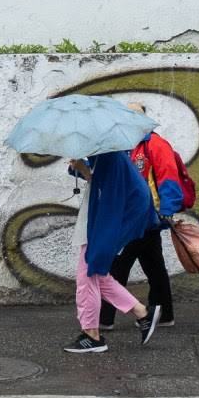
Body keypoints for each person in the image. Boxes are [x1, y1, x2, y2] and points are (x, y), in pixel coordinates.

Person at [63, 150, 162, 354]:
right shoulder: (106, 154)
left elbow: (111, 193)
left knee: (87, 276)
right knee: (98, 274)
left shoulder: (110, 155)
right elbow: (103, 182)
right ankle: (142, 313)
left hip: (101, 223)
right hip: (98, 221)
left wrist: (83, 169)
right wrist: (82, 169)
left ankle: (92, 336)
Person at [99, 102, 180, 331]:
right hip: (136, 217)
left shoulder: (155, 144)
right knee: (154, 267)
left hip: (143, 218)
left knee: (116, 266)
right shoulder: (125, 146)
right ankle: (163, 315)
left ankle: (104, 319)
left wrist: (167, 210)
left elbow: (168, 178)